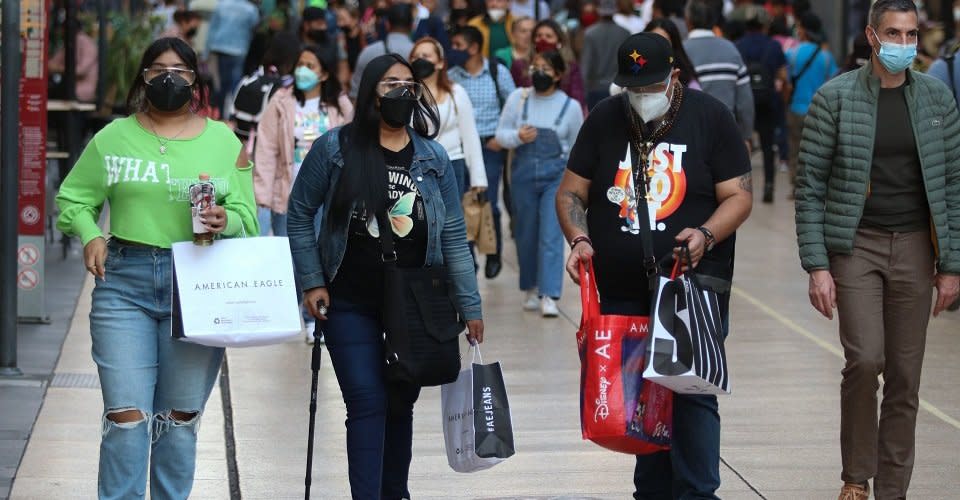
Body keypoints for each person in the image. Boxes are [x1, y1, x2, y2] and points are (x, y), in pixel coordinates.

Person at [54, 37, 258, 499]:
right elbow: (72, 199)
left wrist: (226, 220)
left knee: (178, 421)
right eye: (158, 70)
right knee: (127, 418)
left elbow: (248, 218)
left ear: (196, 81)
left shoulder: (224, 142)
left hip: (198, 286)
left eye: (181, 71)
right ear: (143, 78)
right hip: (123, 282)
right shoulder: (113, 137)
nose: (169, 79)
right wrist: (88, 233)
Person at [557, 33, 752, 499]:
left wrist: (705, 234)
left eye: (651, 86)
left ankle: (698, 493)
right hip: (622, 290)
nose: (642, 97)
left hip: (690, 286)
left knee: (689, 394)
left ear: (675, 77)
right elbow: (571, 192)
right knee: (640, 399)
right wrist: (579, 237)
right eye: (633, 88)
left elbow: (738, 196)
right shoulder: (605, 120)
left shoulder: (710, 118)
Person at [287, 53, 484, 498]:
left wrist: (470, 304)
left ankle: (395, 492)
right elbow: (299, 213)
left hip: (415, 302)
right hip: (348, 301)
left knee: (399, 404)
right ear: (370, 91)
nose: (402, 92)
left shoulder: (432, 156)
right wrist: (312, 279)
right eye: (390, 83)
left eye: (410, 84)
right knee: (366, 401)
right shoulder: (334, 149)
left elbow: (453, 232)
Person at [795, 1, 960, 498]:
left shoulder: (936, 98)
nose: (903, 45)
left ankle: (892, 488)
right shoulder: (836, 98)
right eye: (894, 33)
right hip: (855, 246)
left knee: (906, 375)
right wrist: (817, 265)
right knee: (865, 360)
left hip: (914, 247)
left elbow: (953, 183)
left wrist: (952, 265)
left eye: (911, 35)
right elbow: (809, 186)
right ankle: (855, 476)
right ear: (871, 35)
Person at [496, 50, 583, 317]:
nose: (539, 72)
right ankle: (530, 287)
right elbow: (501, 135)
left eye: (546, 67)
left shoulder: (570, 107)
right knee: (525, 233)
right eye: (536, 66)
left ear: (558, 74)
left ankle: (549, 294)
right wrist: (517, 136)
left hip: (555, 177)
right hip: (522, 175)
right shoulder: (517, 99)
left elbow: (578, 149)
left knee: (551, 234)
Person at [255, 45, 354, 237]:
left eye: (310, 66)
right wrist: (263, 197)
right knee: (288, 256)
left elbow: (351, 147)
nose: (303, 70)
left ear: (324, 74)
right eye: (300, 64)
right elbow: (266, 150)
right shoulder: (281, 101)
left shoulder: (340, 105)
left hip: (327, 196)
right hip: (288, 194)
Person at [448, 26, 517, 278]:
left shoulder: (498, 73)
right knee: (462, 203)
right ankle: (469, 260)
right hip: (461, 148)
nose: (453, 50)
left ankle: (493, 251)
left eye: (457, 45)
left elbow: (513, 107)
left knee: (487, 200)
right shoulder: (451, 76)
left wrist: (501, 138)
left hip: (490, 146)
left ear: (474, 47)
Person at [410, 37, 488, 195]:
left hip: (452, 164)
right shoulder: (405, 95)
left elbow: (470, 136)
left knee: (450, 219)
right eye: (415, 57)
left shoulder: (456, 93)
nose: (420, 60)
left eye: (426, 56)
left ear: (439, 63)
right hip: (415, 167)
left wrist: (478, 179)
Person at [683, 0, 755, 152]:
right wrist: (746, 135)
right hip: (727, 134)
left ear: (688, 21)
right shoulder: (731, 50)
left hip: (691, 136)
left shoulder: (681, 52)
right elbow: (745, 101)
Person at [736, 4, 788, 203]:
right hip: (769, 101)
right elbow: (783, 75)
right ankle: (768, 186)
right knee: (768, 146)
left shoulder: (739, 45)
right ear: (765, 25)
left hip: (744, 102)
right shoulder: (774, 46)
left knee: (742, 145)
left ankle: (741, 188)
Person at [785, 11, 837, 196]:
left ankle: (796, 187)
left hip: (796, 109)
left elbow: (786, 81)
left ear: (803, 31)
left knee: (795, 150)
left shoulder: (792, 53)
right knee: (817, 151)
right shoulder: (827, 57)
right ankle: (816, 187)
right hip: (820, 111)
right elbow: (832, 81)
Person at [350, 3, 417, 99]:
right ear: (413, 26)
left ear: (387, 24)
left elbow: (355, 95)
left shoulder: (368, 52)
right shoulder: (419, 54)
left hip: (374, 112)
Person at [207, 0, 260, 114]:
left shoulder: (221, 5)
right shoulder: (251, 9)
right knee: (235, 84)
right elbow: (254, 28)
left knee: (222, 84)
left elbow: (213, 28)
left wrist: (207, 50)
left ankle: (220, 112)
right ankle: (232, 114)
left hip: (220, 47)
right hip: (239, 49)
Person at [525, 19, 587, 109]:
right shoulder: (522, 65)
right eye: (538, 36)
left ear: (559, 42)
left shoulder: (571, 67)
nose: (543, 39)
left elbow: (577, 98)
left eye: (548, 36)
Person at [581, 0, 631, 109]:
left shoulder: (590, 33)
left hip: (596, 88)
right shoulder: (624, 33)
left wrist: (583, 93)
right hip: (618, 87)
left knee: (597, 124)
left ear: (598, 10)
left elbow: (586, 66)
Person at [644, 18, 700, 89]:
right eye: (653, 41)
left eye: (664, 42)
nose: (657, 47)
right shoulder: (635, 72)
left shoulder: (689, 82)